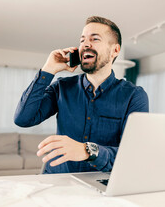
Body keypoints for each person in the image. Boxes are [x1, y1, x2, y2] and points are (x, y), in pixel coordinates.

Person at [14, 16, 149, 174]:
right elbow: (23, 119)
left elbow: (133, 155)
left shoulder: (134, 96)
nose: (85, 44)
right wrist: (48, 70)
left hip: (100, 184)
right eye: (82, 40)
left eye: (95, 39)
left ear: (115, 50)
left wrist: (87, 151)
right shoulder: (62, 87)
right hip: (57, 179)